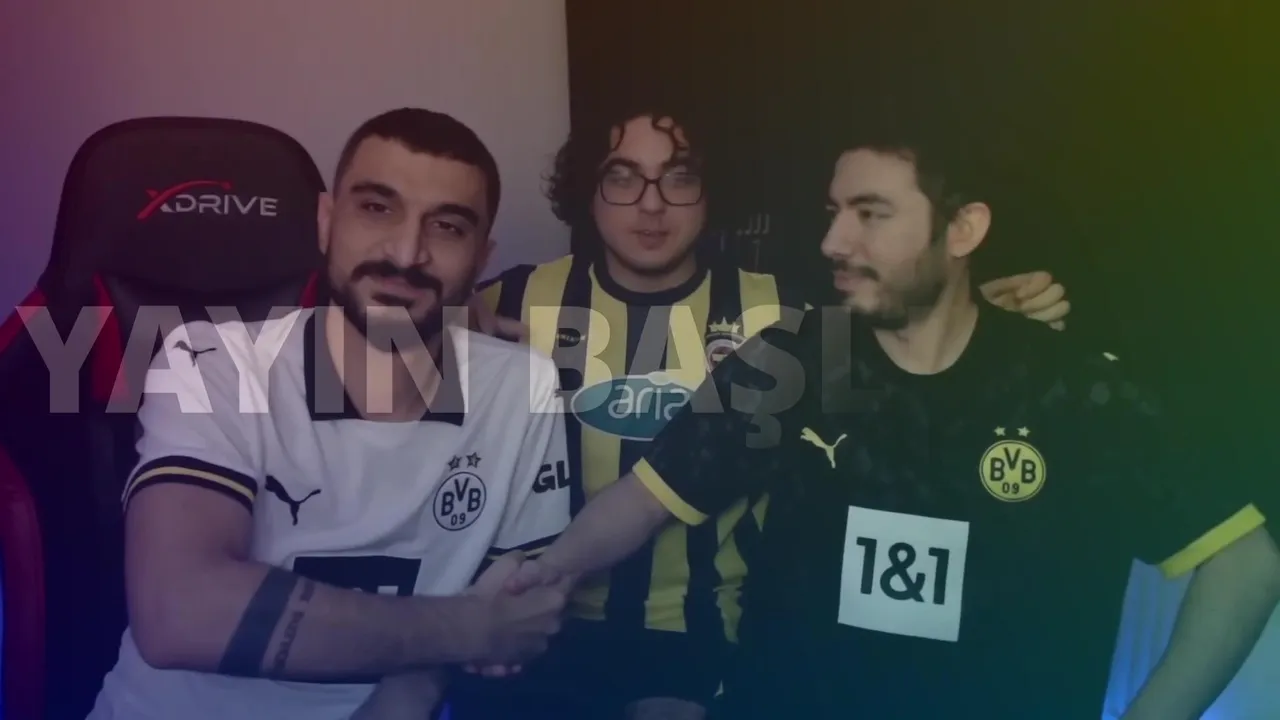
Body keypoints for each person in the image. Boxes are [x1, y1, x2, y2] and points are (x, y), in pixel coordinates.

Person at [499, 117, 1280, 719]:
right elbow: (642, 501)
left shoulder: (1070, 389)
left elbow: (1245, 563)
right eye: (833, 212)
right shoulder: (801, 359)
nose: (834, 240)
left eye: (870, 214)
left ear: (963, 229)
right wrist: (534, 580)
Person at [455, 101, 1073, 719]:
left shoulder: (787, 318)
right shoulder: (507, 300)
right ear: (587, 190)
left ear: (711, 190)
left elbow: (906, 349)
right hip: (536, 627)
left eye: (680, 177)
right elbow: (403, 387)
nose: (651, 204)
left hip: (700, 637)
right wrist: (447, 324)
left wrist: (982, 311)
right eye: (622, 177)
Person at [86, 108, 572, 720]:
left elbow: (517, 612)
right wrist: (470, 629)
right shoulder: (211, 363)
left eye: (447, 227)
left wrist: (408, 692)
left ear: (481, 258)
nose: (406, 253)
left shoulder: (521, 386)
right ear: (325, 222)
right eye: (376, 208)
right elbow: (178, 613)